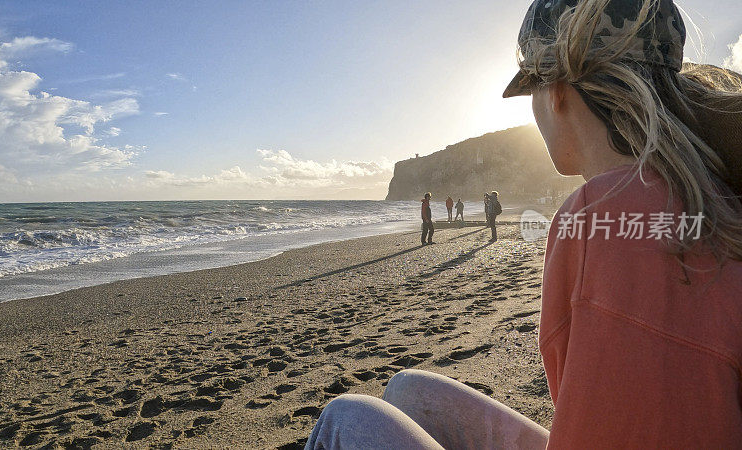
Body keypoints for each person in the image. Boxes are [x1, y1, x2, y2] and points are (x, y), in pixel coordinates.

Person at [304, 0, 742, 448]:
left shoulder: (602, 215)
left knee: (345, 419)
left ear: (557, 93)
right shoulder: (713, 195)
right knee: (407, 390)